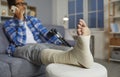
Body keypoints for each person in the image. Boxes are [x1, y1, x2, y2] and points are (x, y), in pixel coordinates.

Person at [4, 0, 94, 68]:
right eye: (19, 4)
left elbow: (45, 33)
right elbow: (19, 42)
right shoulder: (8, 24)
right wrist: (20, 21)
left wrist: (61, 43)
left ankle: (79, 52)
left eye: (24, 3)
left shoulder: (33, 19)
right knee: (39, 47)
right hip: (19, 48)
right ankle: (77, 57)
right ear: (12, 8)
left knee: (59, 47)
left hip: (38, 44)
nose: (23, 6)